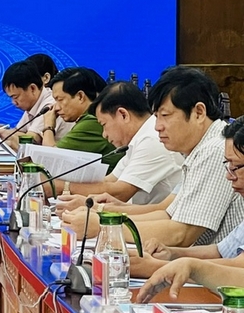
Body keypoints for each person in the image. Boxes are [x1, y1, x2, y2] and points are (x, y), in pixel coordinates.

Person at [62, 66, 244, 248]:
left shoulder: (215, 149)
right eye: (156, 116)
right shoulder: (199, 149)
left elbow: (181, 234)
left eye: (165, 115)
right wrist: (104, 214)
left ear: (199, 112)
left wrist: (103, 226)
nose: (157, 127)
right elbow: (167, 214)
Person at [136, 118, 244, 301]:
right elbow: (221, 251)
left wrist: (161, 266)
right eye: (228, 165)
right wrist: (171, 254)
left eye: (235, 167)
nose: (229, 176)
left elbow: (239, 268)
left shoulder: (209, 151)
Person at [55, 81, 182, 206]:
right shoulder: (137, 140)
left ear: (123, 115)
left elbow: (119, 193)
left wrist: (63, 187)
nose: (104, 134)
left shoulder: (152, 139)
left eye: (104, 124)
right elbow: (109, 181)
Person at [0, 60, 72, 148]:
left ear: (32, 88)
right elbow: (18, 132)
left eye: (15, 97)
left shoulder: (49, 104)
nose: (14, 102)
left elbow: (30, 140)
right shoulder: (33, 103)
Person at [40, 67, 121, 170]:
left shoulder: (92, 121)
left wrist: (48, 126)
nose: (56, 107)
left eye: (60, 99)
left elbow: (51, 159)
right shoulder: (88, 118)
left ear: (80, 96)